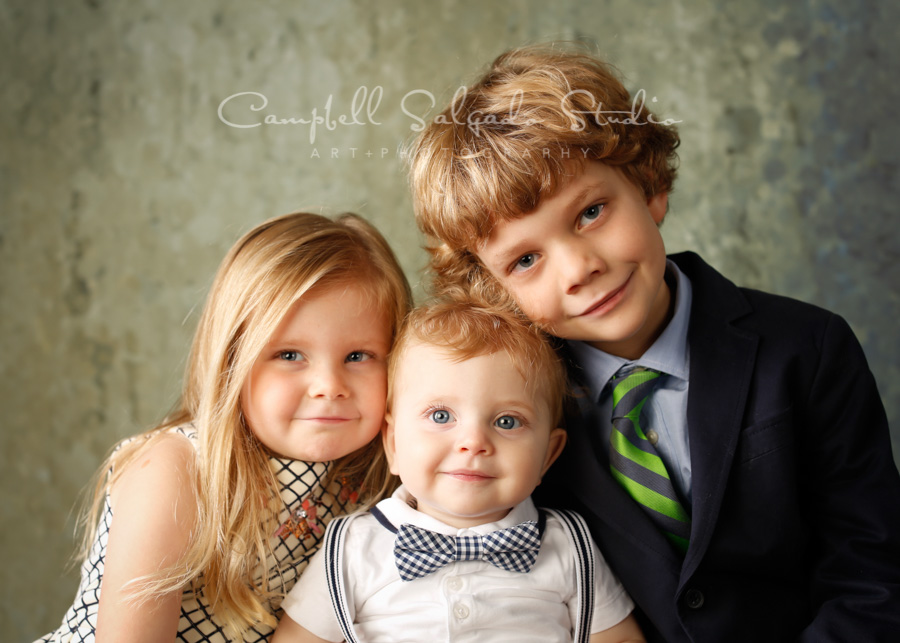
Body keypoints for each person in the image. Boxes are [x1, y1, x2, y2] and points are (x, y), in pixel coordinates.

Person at [405, 44, 900, 642]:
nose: (577, 269)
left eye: (590, 213)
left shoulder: (808, 348)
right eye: (527, 259)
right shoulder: (498, 404)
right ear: (497, 289)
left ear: (649, 186)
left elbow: (870, 572)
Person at [38, 211, 412, 642]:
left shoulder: (379, 478)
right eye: (290, 355)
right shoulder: (177, 469)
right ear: (232, 360)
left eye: (359, 356)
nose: (330, 387)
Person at [272, 301, 646, 643]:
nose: (473, 442)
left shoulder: (567, 546)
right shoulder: (354, 547)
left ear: (547, 456)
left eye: (506, 421)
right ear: (394, 445)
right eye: (441, 416)